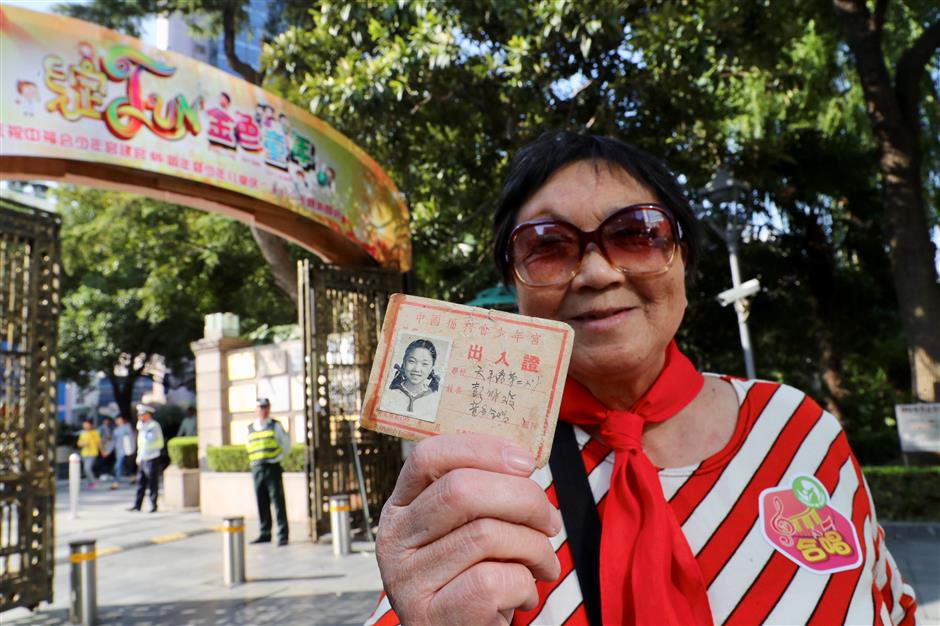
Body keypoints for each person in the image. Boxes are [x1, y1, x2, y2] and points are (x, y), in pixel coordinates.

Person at [368, 131, 917, 625]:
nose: (597, 273)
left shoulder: (799, 430)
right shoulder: (476, 478)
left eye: (636, 234)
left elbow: (893, 608)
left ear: (684, 257)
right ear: (514, 284)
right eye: (547, 246)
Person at [247, 397, 291, 546]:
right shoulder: (250, 428)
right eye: (261, 407)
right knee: (262, 502)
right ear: (256, 410)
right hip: (257, 469)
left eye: (266, 407)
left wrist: (277, 457)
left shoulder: (275, 426)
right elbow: (249, 447)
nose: (264, 410)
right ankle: (265, 533)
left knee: (278, 502)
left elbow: (285, 445)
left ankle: (282, 534)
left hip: (272, 468)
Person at [382, 339, 441, 416]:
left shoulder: (434, 400)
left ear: (431, 368)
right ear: (404, 362)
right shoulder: (388, 395)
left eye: (424, 364)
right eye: (412, 361)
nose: (417, 369)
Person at [129, 404, 164, 513]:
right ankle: (137, 505)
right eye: (139, 415)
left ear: (148, 415)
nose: (140, 417)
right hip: (143, 458)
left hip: (152, 457)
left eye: (142, 415)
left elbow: (151, 439)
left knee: (152, 483)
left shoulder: (153, 426)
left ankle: (154, 505)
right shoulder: (142, 426)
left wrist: (142, 427)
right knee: (140, 482)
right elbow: (141, 444)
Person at [111, 415, 136, 489]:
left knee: (128, 465)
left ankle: (132, 477)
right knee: (118, 466)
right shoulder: (115, 430)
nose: (118, 421)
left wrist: (133, 448)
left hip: (128, 450)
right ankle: (116, 482)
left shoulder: (127, 427)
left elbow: (131, 437)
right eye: (116, 420)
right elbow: (113, 442)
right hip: (119, 451)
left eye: (119, 419)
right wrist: (108, 451)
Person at [76, 418, 100, 489]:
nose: (85, 426)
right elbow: (79, 443)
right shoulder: (82, 433)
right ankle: (90, 483)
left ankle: (93, 482)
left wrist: (103, 451)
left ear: (90, 425)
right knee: (85, 469)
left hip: (92, 453)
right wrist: (83, 443)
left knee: (87, 468)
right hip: (84, 453)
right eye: (84, 425)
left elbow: (98, 442)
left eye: (87, 424)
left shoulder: (94, 433)